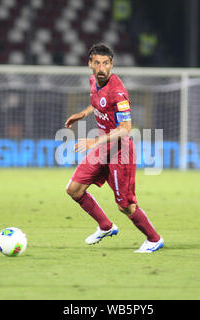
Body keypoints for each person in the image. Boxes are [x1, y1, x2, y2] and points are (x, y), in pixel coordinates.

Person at [64, 43, 164, 253]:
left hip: (120, 152)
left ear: (112, 64)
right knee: (74, 190)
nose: (102, 68)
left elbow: (126, 128)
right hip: (103, 148)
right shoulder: (94, 81)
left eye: (106, 63)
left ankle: (154, 239)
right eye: (97, 63)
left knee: (125, 206)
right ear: (90, 64)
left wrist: (93, 142)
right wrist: (82, 114)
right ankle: (105, 226)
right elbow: (98, 103)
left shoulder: (118, 92)